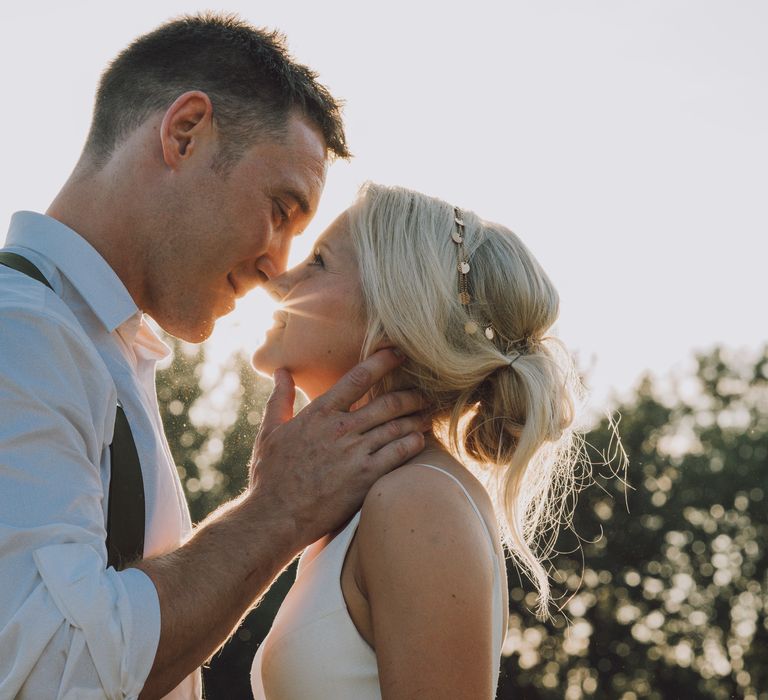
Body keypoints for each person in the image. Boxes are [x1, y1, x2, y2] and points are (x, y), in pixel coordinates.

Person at [0, 15, 428, 700]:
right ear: (185, 133)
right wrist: (277, 510)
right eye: (281, 209)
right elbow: (51, 669)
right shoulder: (18, 333)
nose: (277, 266)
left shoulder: (105, 352)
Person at [249, 183, 584, 699]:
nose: (278, 279)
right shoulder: (365, 502)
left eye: (318, 262)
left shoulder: (416, 501)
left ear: (393, 317)